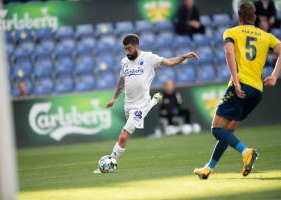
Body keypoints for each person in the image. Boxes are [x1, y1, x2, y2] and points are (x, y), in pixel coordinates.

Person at [194, 1, 281, 179]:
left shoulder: (232, 32)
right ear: (255, 17)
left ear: (239, 17)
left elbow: (228, 53)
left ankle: (246, 151)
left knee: (217, 129)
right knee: (228, 131)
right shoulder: (266, 36)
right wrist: (274, 75)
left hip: (240, 86)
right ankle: (208, 168)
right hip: (257, 91)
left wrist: (236, 81)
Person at [94, 34, 198, 173]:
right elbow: (121, 81)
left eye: (129, 48)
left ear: (136, 45)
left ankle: (110, 162)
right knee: (127, 133)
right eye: (125, 49)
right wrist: (114, 98)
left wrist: (184, 56)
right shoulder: (124, 62)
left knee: (124, 135)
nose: (127, 52)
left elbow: (170, 62)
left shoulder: (149, 58)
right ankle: (153, 101)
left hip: (140, 105)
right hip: (128, 105)